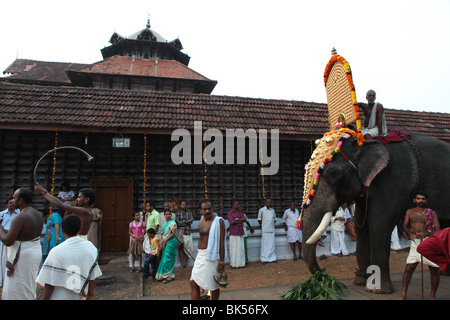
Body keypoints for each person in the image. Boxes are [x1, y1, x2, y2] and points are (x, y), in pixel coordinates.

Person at [36, 214, 102, 300]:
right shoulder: (91, 248)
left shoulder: (56, 251)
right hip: (80, 296)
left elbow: (49, 284)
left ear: (62, 231)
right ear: (79, 229)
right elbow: (92, 275)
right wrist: (90, 296)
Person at [0, 188, 43, 300]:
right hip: (34, 252)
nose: (12, 200)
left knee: (17, 288)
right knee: (28, 283)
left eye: (14, 198)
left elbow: (7, 241)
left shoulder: (20, 217)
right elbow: (22, 234)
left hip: (22, 256)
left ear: (20, 201)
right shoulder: (38, 214)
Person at [398, 192, 441, 300]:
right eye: (418, 199)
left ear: (426, 200)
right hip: (415, 243)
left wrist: (427, 234)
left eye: (423, 199)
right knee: (409, 268)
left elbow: (438, 229)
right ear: (414, 200)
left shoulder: (432, 213)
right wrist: (411, 234)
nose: (420, 201)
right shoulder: (410, 212)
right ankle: (403, 295)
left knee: (433, 269)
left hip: (429, 242)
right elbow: (404, 225)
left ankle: (432, 296)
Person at [190, 200, 226, 300]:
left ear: (212, 209)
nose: (207, 211)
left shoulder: (219, 221)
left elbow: (222, 243)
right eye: (204, 209)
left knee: (213, 286)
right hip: (200, 256)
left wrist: (221, 262)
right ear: (200, 211)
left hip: (212, 256)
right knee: (193, 282)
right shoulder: (201, 222)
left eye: (209, 208)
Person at [0, 197, 20, 287]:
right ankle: (2, 281)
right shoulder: (1, 214)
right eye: (10, 203)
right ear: (7, 204)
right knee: (2, 261)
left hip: (15, 241)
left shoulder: (19, 214)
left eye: (13, 202)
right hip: (3, 242)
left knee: (12, 261)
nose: (12, 204)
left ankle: (11, 281)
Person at [155, 210, 178, 283]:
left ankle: (170, 276)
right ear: (164, 215)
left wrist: (166, 240)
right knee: (165, 258)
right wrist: (163, 240)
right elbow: (165, 233)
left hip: (172, 242)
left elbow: (173, 234)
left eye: (169, 214)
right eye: (166, 214)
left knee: (169, 258)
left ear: (171, 215)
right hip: (167, 242)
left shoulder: (173, 223)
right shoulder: (165, 223)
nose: (168, 215)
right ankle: (164, 275)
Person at [227, 200, 247, 268]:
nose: (238, 206)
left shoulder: (240, 212)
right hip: (233, 233)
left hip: (240, 232)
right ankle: (234, 264)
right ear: (233, 205)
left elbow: (244, 219)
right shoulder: (230, 213)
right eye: (237, 204)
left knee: (240, 248)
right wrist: (239, 220)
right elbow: (232, 222)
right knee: (234, 249)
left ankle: (241, 263)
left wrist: (237, 219)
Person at [257, 198, 277, 264]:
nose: (269, 204)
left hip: (271, 230)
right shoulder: (262, 210)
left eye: (270, 202)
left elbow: (274, 220)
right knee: (264, 245)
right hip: (265, 230)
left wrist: (271, 225)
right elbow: (259, 220)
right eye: (268, 202)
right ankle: (264, 259)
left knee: (272, 245)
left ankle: (272, 258)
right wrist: (263, 226)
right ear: (265, 203)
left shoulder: (272, 210)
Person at [176, 200, 194, 269]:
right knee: (181, 248)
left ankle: (186, 264)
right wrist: (186, 222)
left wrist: (183, 222)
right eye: (183, 204)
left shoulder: (189, 212)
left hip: (188, 232)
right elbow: (178, 222)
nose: (184, 205)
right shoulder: (177, 213)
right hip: (180, 233)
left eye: (185, 204)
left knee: (187, 249)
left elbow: (191, 220)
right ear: (180, 205)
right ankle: (182, 264)